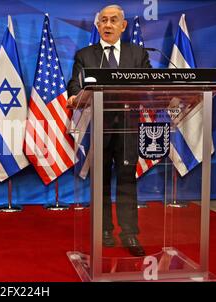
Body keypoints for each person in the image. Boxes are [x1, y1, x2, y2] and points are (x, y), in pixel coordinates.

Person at [67, 4, 151, 257]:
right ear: (97, 25)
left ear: (123, 26)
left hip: (127, 126)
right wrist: (73, 96)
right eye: (103, 20)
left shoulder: (138, 54)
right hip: (100, 126)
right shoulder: (86, 55)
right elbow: (75, 84)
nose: (108, 25)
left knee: (127, 179)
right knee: (100, 180)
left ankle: (129, 233)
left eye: (114, 20)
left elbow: (148, 84)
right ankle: (104, 230)